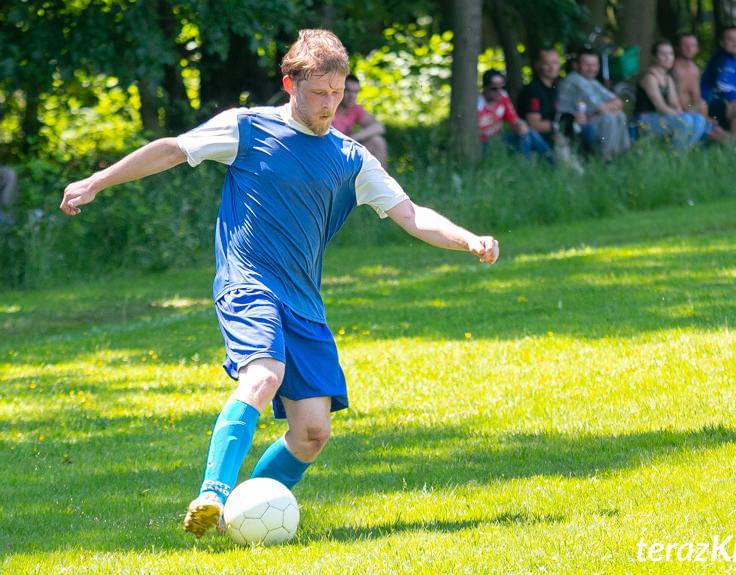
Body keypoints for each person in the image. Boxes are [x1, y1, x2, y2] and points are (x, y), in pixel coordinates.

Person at [60, 29, 499, 539]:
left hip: (304, 302)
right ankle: (213, 492)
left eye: (338, 93)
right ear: (289, 83)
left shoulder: (351, 157)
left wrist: (468, 239)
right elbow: (171, 150)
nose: (330, 104)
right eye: (319, 93)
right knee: (263, 374)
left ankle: (232, 520)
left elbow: (411, 214)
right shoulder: (246, 129)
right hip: (248, 283)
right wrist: (96, 182)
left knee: (313, 433)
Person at [633, 39, 708, 149]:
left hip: (663, 118)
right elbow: (661, 107)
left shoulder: (668, 78)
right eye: (663, 54)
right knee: (685, 120)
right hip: (645, 120)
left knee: (699, 119)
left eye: (670, 54)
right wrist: (682, 116)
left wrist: (683, 114)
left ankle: (682, 152)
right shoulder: (650, 78)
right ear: (654, 57)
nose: (668, 58)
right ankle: (674, 153)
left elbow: (675, 104)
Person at [557, 50, 630, 161]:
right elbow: (600, 109)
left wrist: (606, 108)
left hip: (587, 119)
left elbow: (618, 102)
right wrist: (606, 109)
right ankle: (606, 158)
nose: (591, 68)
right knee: (608, 117)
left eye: (594, 65)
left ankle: (621, 154)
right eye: (587, 65)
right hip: (570, 124)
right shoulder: (574, 79)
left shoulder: (591, 81)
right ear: (576, 65)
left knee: (620, 115)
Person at [477, 69, 552, 162]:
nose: (499, 91)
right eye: (494, 88)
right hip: (483, 142)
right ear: (484, 88)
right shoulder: (478, 105)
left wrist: (520, 125)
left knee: (528, 133)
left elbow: (513, 120)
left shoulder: (503, 97)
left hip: (499, 137)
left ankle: (549, 163)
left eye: (502, 87)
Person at [332, 74, 388, 166]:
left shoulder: (354, 109)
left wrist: (355, 137)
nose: (352, 96)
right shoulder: (329, 107)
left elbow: (379, 127)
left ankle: (379, 179)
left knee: (377, 141)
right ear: (338, 90)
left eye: (355, 92)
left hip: (346, 150)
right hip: (330, 153)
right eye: (348, 91)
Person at [517, 48, 562, 148]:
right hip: (537, 139)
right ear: (538, 66)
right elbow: (533, 125)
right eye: (547, 63)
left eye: (555, 62)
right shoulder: (532, 90)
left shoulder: (555, 88)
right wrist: (561, 126)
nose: (552, 67)